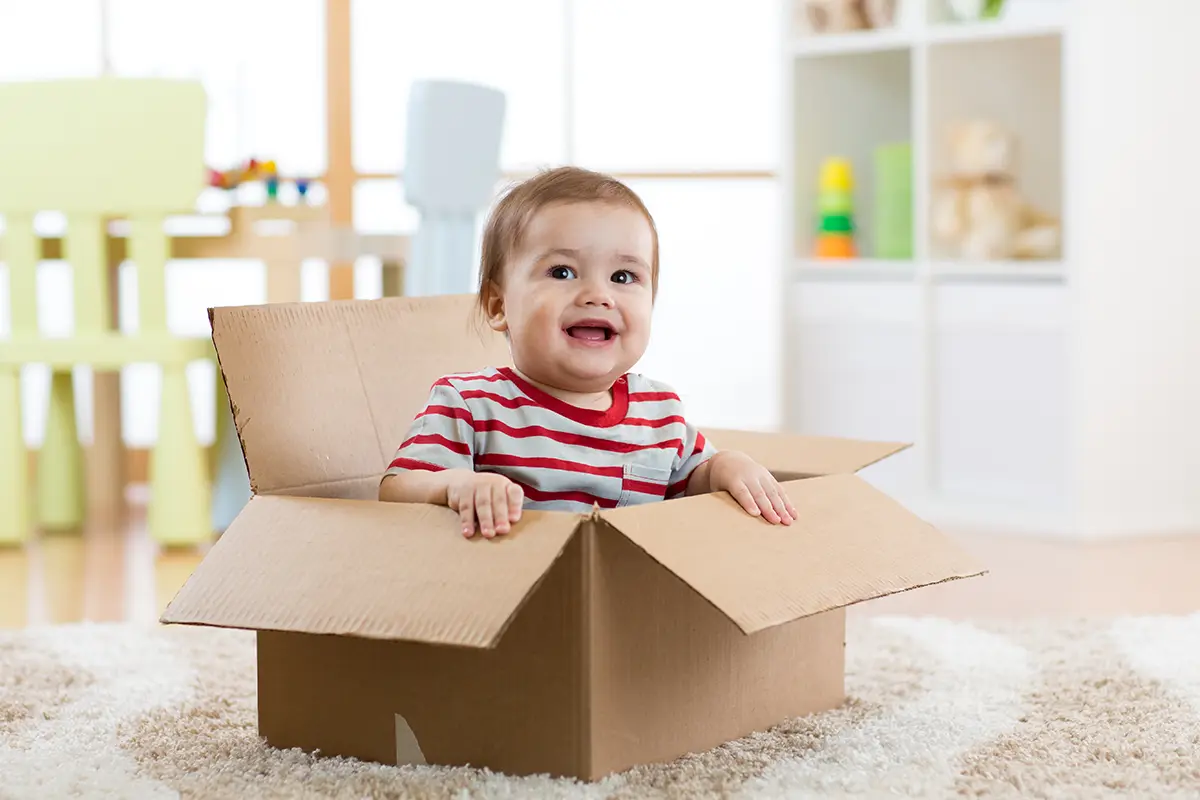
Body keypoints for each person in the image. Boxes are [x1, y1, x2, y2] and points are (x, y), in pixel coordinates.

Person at [378, 166, 797, 538]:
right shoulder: (471, 404)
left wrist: (726, 467)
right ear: (498, 305)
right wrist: (455, 486)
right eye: (562, 272)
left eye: (623, 276)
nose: (598, 295)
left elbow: (692, 481)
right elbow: (398, 487)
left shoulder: (660, 413)